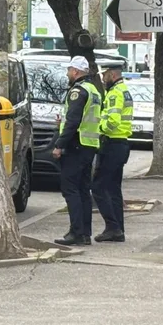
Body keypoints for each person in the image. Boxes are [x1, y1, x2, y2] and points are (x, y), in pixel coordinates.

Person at [52, 56, 101, 246]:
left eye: (69, 70)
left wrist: (59, 145)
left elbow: (73, 121)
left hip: (76, 145)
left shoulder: (77, 91)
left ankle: (76, 233)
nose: (67, 74)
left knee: (70, 189)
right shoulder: (94, 90)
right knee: (83, 190)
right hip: (89, 145)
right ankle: (85, 233)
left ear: (75, 71)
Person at [92, 61, 133, 242]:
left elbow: (113, 121)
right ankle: (118, 229)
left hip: (112, 143)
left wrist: (99, 129)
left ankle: (112, 227)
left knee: (98, 187)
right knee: (114, 188)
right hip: (121, 144)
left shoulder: (115, 93)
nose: (103, 78)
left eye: (105, 74)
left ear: (112, 75)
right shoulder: (124, 90)